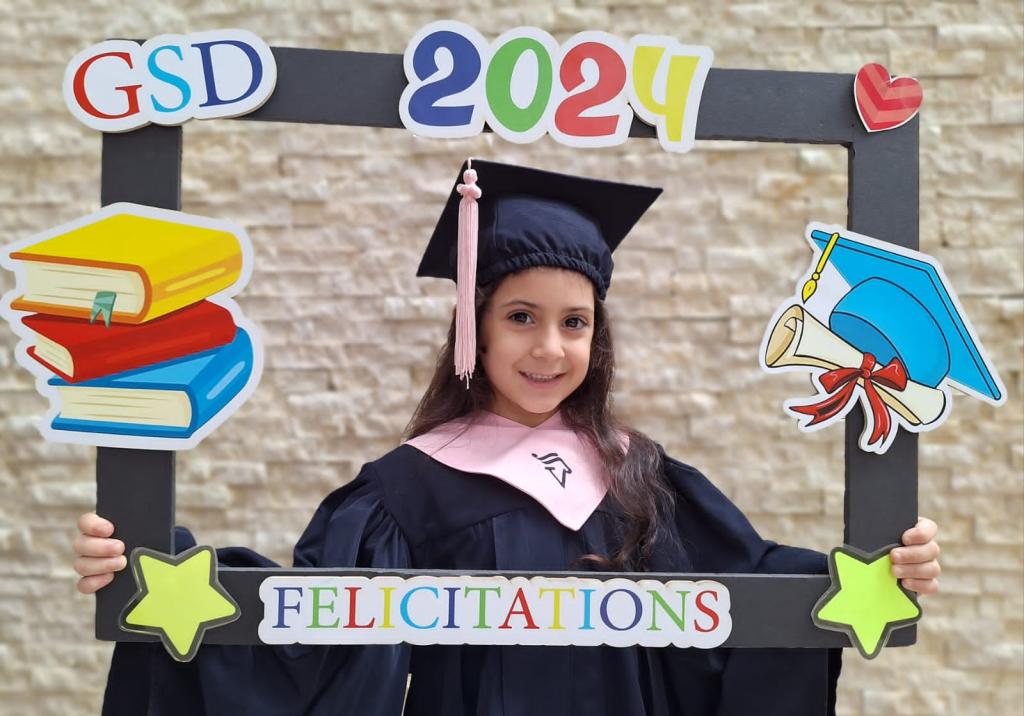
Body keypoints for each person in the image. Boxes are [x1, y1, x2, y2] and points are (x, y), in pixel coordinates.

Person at [73, 159, 941, 715]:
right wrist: (153, 563)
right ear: (474, 330)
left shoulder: (638, 474)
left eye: (574, 323)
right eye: (520, 317)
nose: (549, 348)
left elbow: (756, 591)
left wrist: (876, 569)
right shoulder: (408, 490)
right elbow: (308, 641)